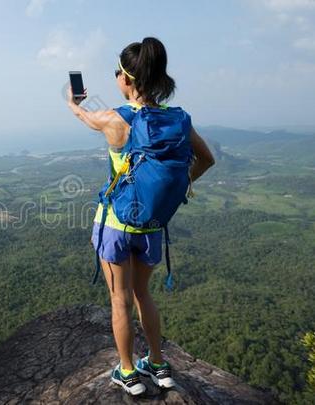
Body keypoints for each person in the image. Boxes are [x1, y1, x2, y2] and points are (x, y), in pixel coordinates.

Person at [66, 37, 215, 395]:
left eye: (118, 71)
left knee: (119, 299)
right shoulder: (177, 119)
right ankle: (159, 364)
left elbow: (84, 117)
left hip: (117, 224)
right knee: (143, 295)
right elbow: (207, 159)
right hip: (151, 225)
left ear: (128, 79)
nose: (116, 77)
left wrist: (73, 103)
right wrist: (182, 187)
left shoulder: (115, 119)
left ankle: (129, 371)